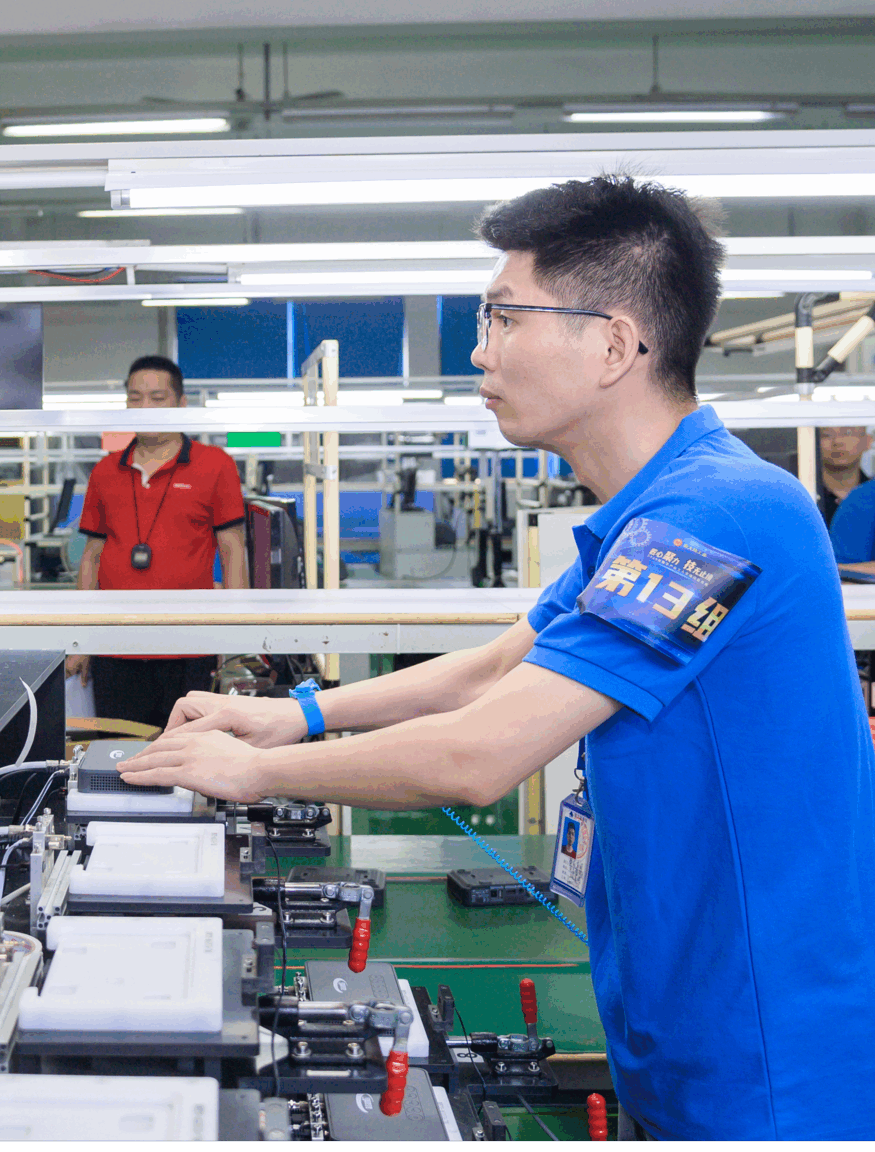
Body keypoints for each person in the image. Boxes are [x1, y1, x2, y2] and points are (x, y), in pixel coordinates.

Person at [119, 176, 875, 1140]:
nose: (480, 349)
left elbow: (479, 755)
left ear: (613, 345)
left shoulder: (720, 515)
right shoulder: (649, 516)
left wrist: (253, 772)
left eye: (505, 317)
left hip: (773, 1059)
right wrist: (292, 715)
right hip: (684, 1025)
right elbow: (494, 669)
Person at [65, 355, 248, 729]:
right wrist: (81, 639)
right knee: (119, 753)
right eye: (135, 398)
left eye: (157, 397)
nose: (145, 407)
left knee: (188, 751)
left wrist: (236, 636)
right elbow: (91, 557)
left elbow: (233, 550)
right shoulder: (105, 471)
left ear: (181, 403)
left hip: (189, 647)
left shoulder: (215, 465)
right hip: (115, 647)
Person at [818, 425, 872, 527]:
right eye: (827, 434)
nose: (837, 442)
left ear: (868, 441)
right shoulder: (806, 494)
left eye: (848, 433)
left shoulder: (871, 494)